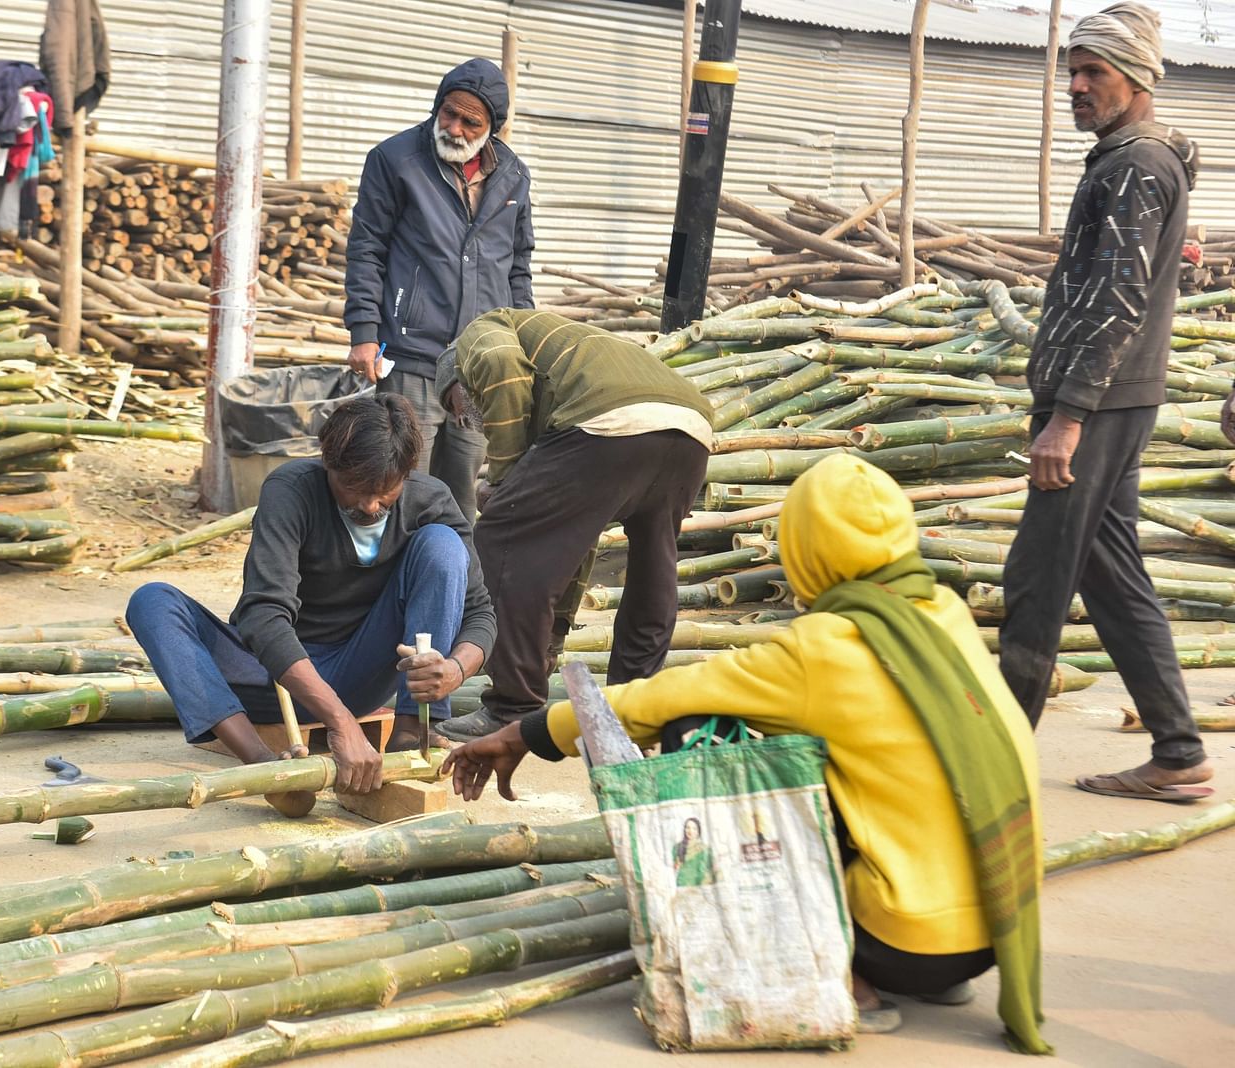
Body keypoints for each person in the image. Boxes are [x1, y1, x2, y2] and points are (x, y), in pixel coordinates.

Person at [442, 455, 1050, 1051]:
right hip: (998, 924)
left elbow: (666, 694)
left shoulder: (829, 647)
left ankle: (848, 977)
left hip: (903, 941)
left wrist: (526, 732)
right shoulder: (942, 613)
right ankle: (934, 972)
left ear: (809, 547)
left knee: (699, 732)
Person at [998, 2, 1213, 803]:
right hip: (1111, 398)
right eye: (1073, 72)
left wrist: (1068, 415)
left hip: (1099, 402)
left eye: (1094, 72)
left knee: (1036, 576)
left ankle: (995, 765)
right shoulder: (1132, 159)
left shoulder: (1134, 166)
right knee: (1109, 573)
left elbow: (1119, 296)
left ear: (1136, 76)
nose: (1077, 87)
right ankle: (1180, 754)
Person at [126, 394, 495, 814]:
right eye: (353, 488)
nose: (369, 506)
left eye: (385, 493)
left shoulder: (432, 501)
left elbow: (480, 613)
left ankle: (411, 733)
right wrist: (340, 723)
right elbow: (263, 618)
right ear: (328, 464)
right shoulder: (292, 490)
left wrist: (456, 668)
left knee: (443, 547)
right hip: (271, 675)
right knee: (152, 601)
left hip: (359, 670)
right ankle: (263, 766)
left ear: (407, 474)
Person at [429, 309, 713, 742]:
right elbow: (573, 542)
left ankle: (512, 707)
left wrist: (502, 480)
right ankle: (632, 704)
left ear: (458, 382)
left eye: (461, 410)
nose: (472, 421)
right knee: (655, 565)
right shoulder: (566, 365)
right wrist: (554, 635)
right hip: (690, 426)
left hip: (611, 419)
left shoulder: (478, 336)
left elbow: (500, 365)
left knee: (501, 534)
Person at [344, 58, 536, 521]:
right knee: (401, 485)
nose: (455, 127)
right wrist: (364, 332)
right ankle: (395, 585)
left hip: (479, 361)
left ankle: (456, 588)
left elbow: (518, 265)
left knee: (462, 494)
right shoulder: (395, 161)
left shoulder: (513, 175)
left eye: (471, 121)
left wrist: (523, 339)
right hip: (412, 354)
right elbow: (366, 250)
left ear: (492, 127)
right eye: (449, 113)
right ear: (437, 107)